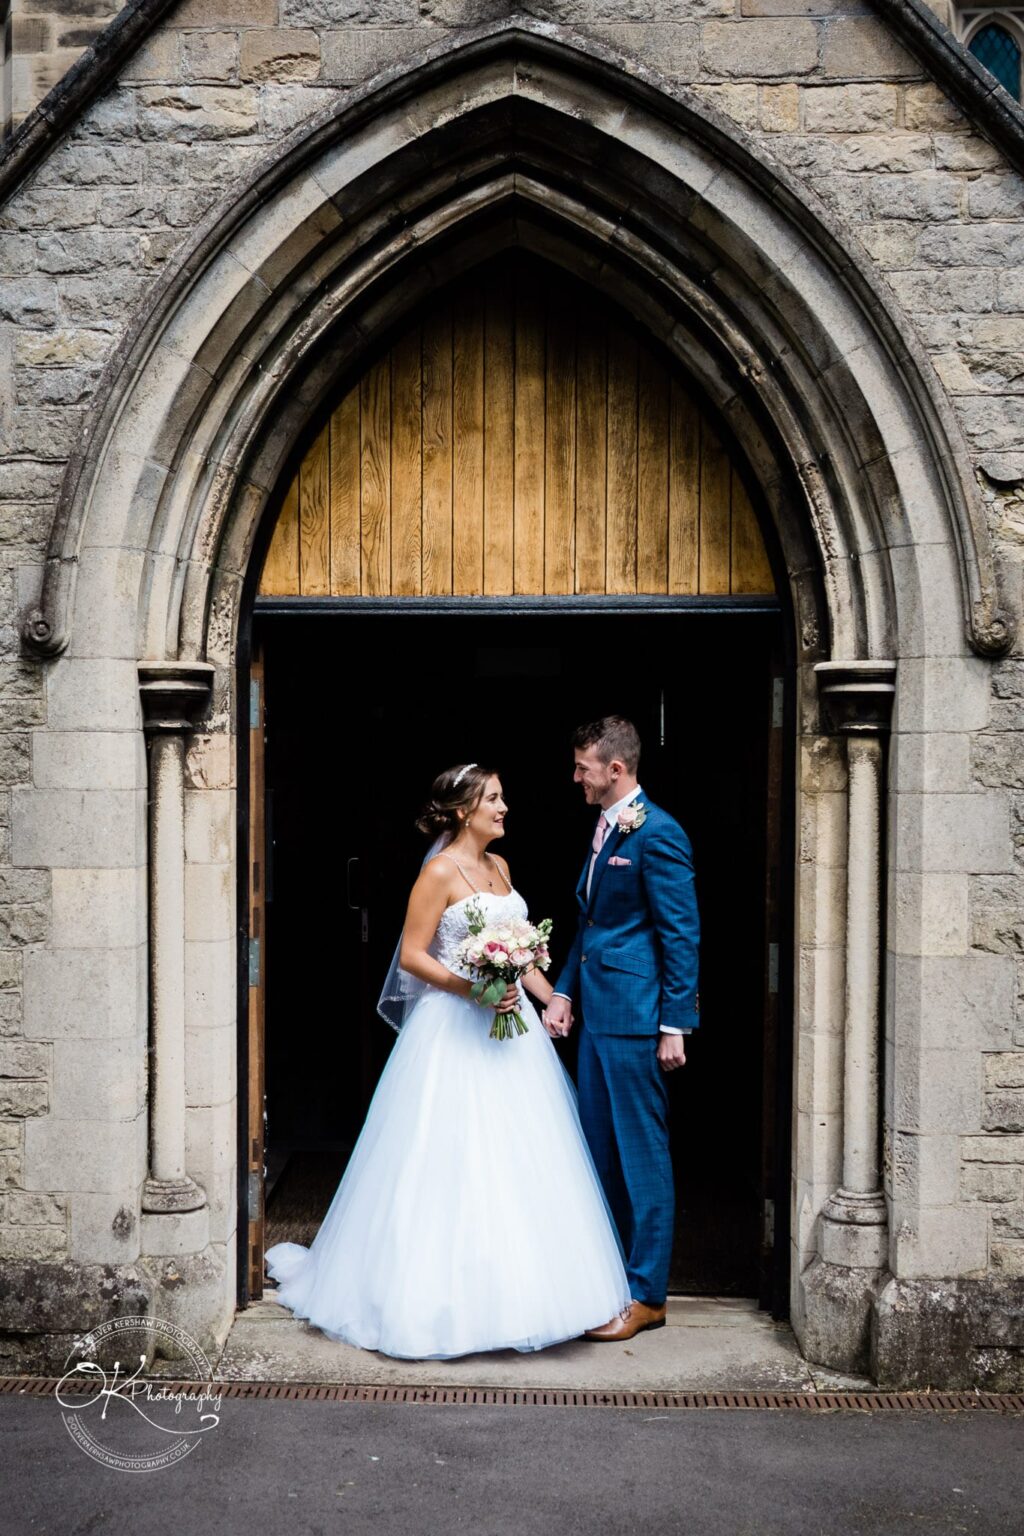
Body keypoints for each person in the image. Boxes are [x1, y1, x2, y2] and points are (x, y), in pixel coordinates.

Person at [264, 763, 633, 1359]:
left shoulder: (501, 868)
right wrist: (472, 989)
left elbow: (521, 961)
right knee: (449, 1158)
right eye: (493, 798)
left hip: (513, 1042)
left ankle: (528, 1296)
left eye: (503, 797)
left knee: (522, 1160)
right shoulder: (438, 871)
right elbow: (411, 955)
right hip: (453, 1032)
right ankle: (437, 1301)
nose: (504, 807)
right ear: (463, 810)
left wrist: (554, 998)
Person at [543, 716, 700, 1343]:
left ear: (616, 770)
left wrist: (674, 1026)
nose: (575, 776)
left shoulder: (659, 833)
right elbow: (593, 926)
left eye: (583, 767)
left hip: (637, 1021)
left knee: (644, 1161)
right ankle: (605, 1281)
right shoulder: (604, 827)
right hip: (598, 1019)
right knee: (598, 1155)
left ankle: (647, 1295)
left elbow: (680, 933)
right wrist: (561, 991)